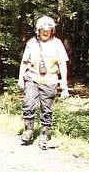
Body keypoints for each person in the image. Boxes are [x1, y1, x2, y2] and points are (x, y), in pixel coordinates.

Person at [18, 15, 70, 149]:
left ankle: (44, 136)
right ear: (38, 30)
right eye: (43, 29)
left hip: (50, 80)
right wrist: (20, 79)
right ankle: (28, 131)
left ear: (52, 30)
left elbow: (63, 65)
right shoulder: (32, 43)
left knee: (46, 110)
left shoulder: (57, 44)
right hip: (32, 78)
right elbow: (24, 62)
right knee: (28, 104)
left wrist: (64, 85)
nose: (45, 32)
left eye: (48, 29)